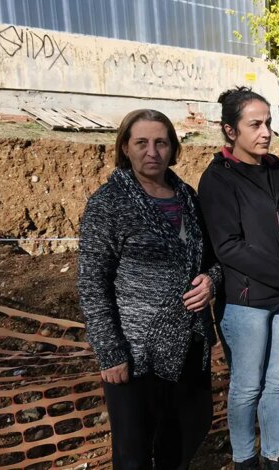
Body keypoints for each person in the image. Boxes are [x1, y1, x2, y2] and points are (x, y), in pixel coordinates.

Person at [78, 109, 221, 469]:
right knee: (134, 455)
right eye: (141, 142)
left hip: (190, 345)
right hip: (137, 352)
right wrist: (110, 352)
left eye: (161, 142)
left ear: (173, 148)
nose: (152, 151)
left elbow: (212, 260)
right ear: (125, 147)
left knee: (186, 434)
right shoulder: (109, 204)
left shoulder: (187, 197)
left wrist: (211, 281)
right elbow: (92, 283)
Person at [198, 87, 279, 470]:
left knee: (275, 382)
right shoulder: (217, 180)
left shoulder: (278, 170)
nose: (266, 132)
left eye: (268, 123)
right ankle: (245, 460)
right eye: (255, 124)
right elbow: (229, 247)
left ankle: (275, 456)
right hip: (245, 303)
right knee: (247, 387)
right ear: (230, 130)